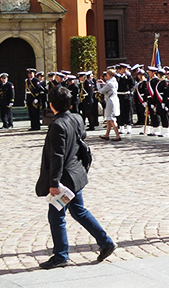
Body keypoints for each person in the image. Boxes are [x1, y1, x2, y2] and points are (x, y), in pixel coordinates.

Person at [36, 86, 116, 269]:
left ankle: (61, 255)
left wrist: (54, 183)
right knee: (78, 210)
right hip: (76, 174)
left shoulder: (57, 125)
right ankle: (105, 242)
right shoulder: (77, 118)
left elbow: (57, 156)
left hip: (65, 178)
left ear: (51, 105)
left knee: (56, 216)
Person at [98, 68, 121, 141]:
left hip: (110, 101)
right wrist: (103, 84)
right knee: (108, 119)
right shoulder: (114, 81)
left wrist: (98, 85)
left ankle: (117, 135)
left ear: (109, 75)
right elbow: (108, 86)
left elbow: (102, 91)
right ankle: (107, 134)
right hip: (113, 100)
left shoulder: (110, 83)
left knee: (112, 119)